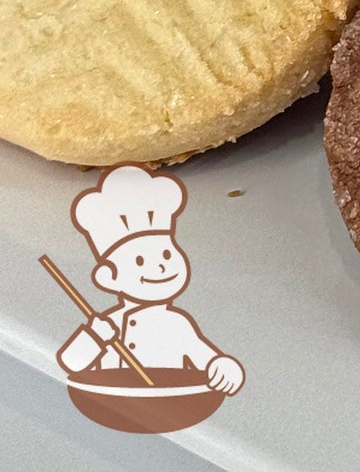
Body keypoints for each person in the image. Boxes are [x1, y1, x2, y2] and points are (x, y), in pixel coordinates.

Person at [55, 164, 244, 395]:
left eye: (167, 254)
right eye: (140, 261)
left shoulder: (176, 323)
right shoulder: (108, 324)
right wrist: (94, 337)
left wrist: (224, 367)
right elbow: (71, 363)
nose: (161, 266)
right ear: (109, 277)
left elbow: (206, 358)